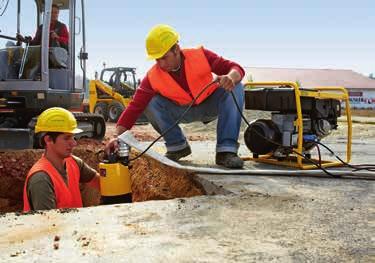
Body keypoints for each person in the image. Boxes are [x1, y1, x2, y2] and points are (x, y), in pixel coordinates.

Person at [106, 24, 245, 169]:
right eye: (157, 59)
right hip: (181, 111)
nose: (160, 64)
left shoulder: (200, 55)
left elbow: (236, 68)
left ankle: (226, 151)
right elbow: (135, 107)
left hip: (210, 105)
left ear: (176, 49)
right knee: (149, 102)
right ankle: (177, 146)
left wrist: (231, 77)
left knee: (236, 86)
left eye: (164, 58)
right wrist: (117, 137)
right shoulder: (152, 76)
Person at [23, 107, 100, 211]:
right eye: (67, 138)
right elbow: (47, 224)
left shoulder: (73, 162)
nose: (74, 143)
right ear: (48, 140)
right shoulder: (41, 180)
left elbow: (99, 182)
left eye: (73, 137)